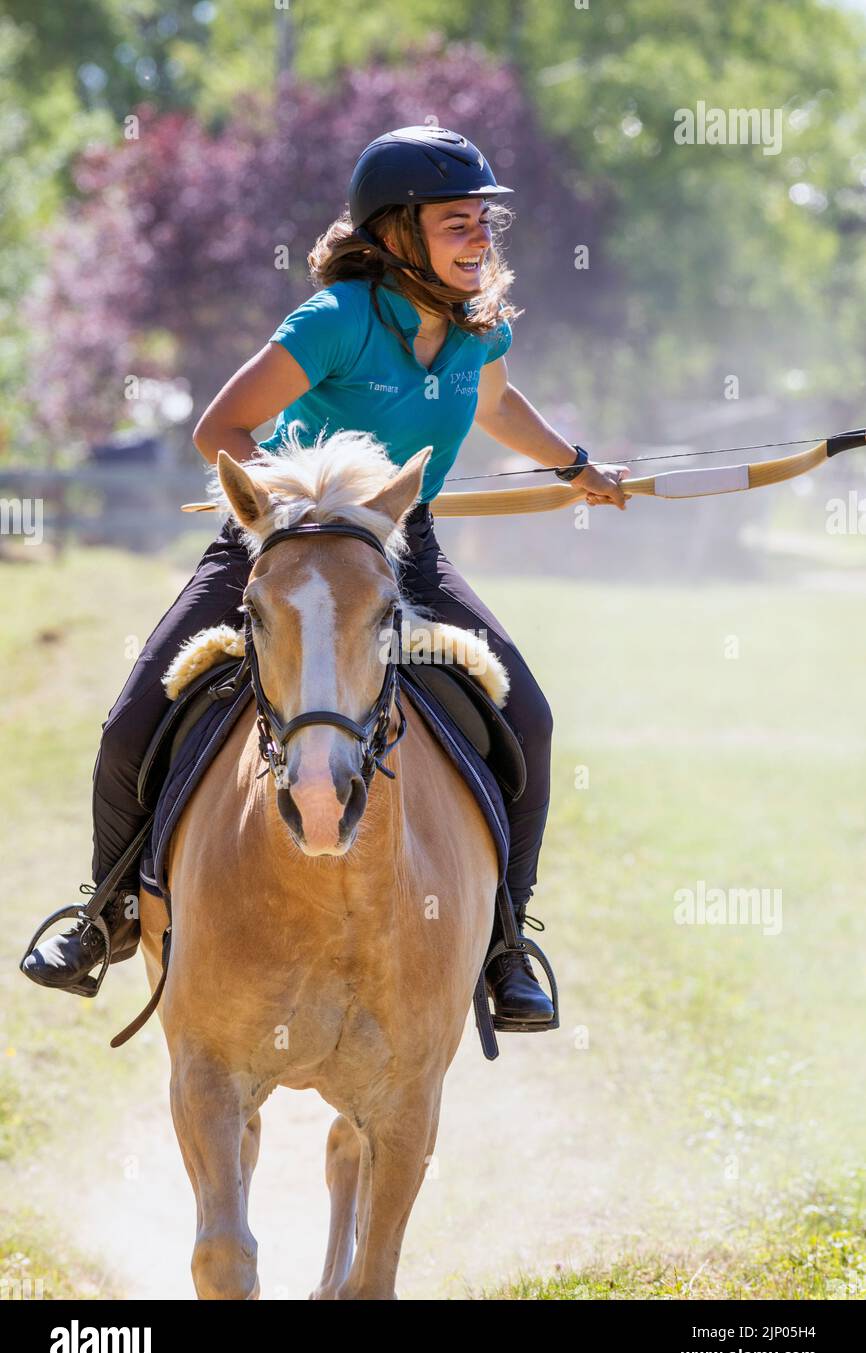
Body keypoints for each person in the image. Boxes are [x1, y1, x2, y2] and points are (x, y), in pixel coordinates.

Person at [21, 125, 627, 1021]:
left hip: (404, 551)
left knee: (527, 720)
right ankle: (105, 912)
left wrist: (576, 465)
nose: (479, 240)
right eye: (456, 223)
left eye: (483, 223)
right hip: (281, 545)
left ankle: (505, 945)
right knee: (128, 725)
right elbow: (219, 430)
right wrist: (291, 514)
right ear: (395, 235)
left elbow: (496, 406)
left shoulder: (479, 330)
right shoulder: (336, 320)